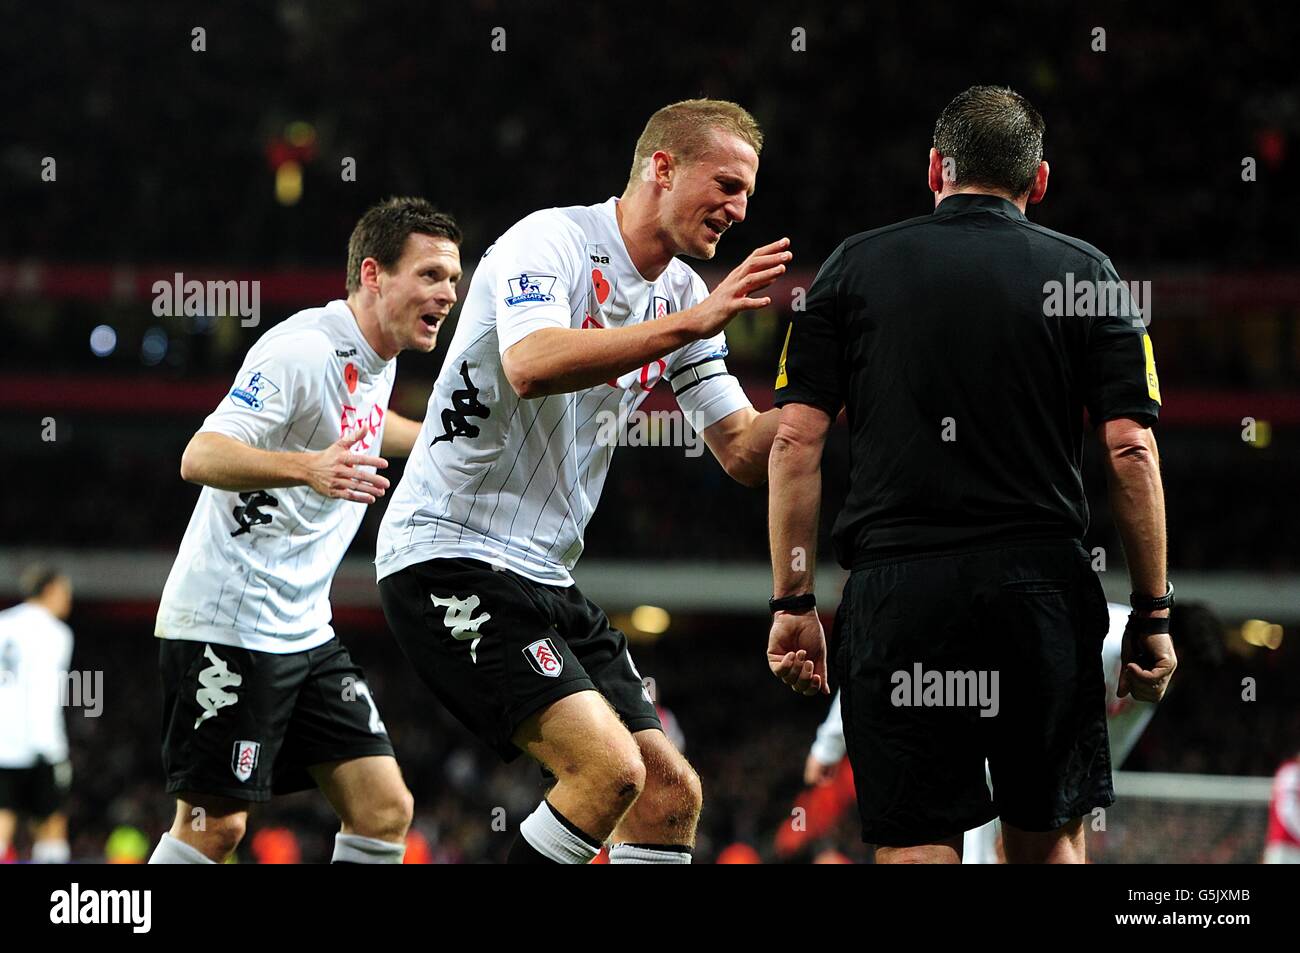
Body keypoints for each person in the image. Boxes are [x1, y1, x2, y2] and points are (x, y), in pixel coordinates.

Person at [767, 85, 1173, 864]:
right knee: (1047, 837)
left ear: (933, 170)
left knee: (916, 841)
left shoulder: (853, 267)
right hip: (1041, 593)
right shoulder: (1086, 272)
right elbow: (1132, 450)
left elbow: (793, 443)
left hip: (900, 591)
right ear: (1040, 180)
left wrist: (792, 599)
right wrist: (1152, 612)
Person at [377, 99, 788, 864]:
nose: (737, 209)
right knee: (607, 771)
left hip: (546, 577)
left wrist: (821, 395)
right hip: (446, 555)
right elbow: (530, 365)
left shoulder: (685, 298)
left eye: (747, 196)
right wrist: (690, 327)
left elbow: (741, 449)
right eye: (727, 185)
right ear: (662, 167)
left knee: (669, 796)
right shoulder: (551, 241)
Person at [149, 197, 462, 864]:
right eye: (431, 275)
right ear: (374, 274)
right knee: (214, 827)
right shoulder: (303, 349)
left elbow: (371, 428)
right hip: (227, 623)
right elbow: (199, 455)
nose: (448, 293)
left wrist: (450, 440)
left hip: (303, 629)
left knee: (384, 809)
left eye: (454, 279)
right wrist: (309, 468)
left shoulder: (379, 353)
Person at [801, 602, 1224, 862]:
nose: (1173, 682)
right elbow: (894, 669)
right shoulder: (1093, 639)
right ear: (1171, 647)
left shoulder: (1151, 681)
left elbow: (1103, 756)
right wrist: (828, 745)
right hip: (964, 729)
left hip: (1015, 763)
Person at [0, 565, 75, 863]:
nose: (68, 601)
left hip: (2, 743)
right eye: (65, 594)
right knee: (52, 824)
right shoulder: (55, 633)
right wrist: (52, 748)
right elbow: (45, 691)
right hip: (39, 744)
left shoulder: (3, 624)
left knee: (3, 819)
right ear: (50, 591)